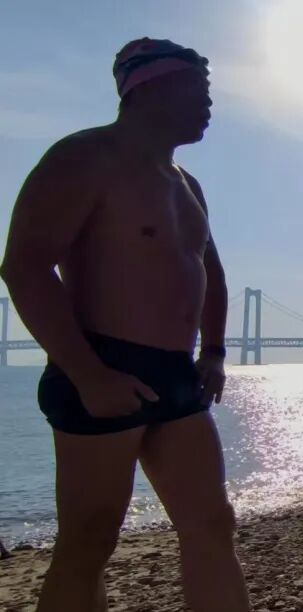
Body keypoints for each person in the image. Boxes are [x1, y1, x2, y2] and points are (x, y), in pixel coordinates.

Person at [0, 39, 249, 612]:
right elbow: (25, 266)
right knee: (89, 542)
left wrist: (213, 351)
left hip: (177, 374)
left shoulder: (187, 183)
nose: (209, 104)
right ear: (148, 88)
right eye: (198, 90)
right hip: (102, 362)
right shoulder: (85, 157)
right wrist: (88, 374)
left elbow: (210, 272)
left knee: (212, 523)